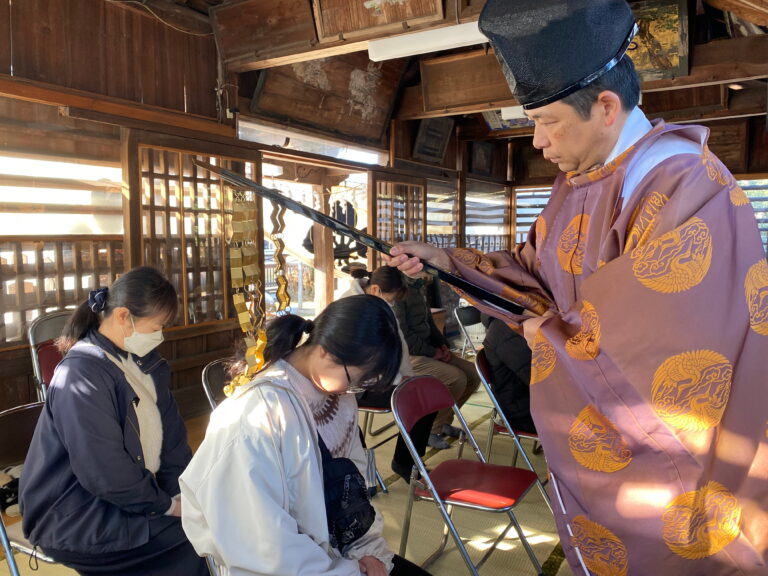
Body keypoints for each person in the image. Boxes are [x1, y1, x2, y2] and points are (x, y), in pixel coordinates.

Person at [387, 1, 768, 574]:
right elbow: (535, 278)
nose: (538, 141)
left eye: (546, 121)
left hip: (689, 460)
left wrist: (547, 332)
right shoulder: (578, 182)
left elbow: (662, 354)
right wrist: (449, 262)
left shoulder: (688, 183)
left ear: (607, 107)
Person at [180, 295, 431, 576]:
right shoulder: (256, 414)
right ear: (324, 351)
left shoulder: (337, 394)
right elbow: (262, 544)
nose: (355, 389)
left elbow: (353, 490)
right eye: (356, 378)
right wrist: (346, 571)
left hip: (337, 554)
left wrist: (368, 551)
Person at [19, 267, 208, 576]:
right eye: (157, 326)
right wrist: (167, 507)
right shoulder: (81, 374)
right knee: (196, 540)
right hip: (75, 513)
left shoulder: (145, 365)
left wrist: (181, 495)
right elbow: (103, 471)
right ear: (123, 317)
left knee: (213, 521)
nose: (159, 334)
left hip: (130, 499)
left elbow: (172, 443)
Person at [340, 265, 437, 482]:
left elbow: (399, 344)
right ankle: (405, 463)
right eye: (391, 298)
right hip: (356, 385)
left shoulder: (378, 303)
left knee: (427, 394)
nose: (392, 303)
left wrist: (407, 376)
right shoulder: (350, 308)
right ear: (375, 289)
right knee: (418, 399)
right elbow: (358, 359)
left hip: (383, 377)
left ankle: (408, 460)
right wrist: (397, 380)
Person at [394, 276, 481, 450]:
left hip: (428, 350)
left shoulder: (418, 286)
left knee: (473, 374)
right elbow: (403, 335)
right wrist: (433, 352)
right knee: (456, 378)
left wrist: (442, 345)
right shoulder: (398, 290)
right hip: (407, 356)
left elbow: (429, 323)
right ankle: (431, 430)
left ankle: (443, 422)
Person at [481, 314, 536, 435]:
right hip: (524, 412)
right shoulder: (504, 330)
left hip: (531, 403)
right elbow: (538, 380)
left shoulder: (513, 323)